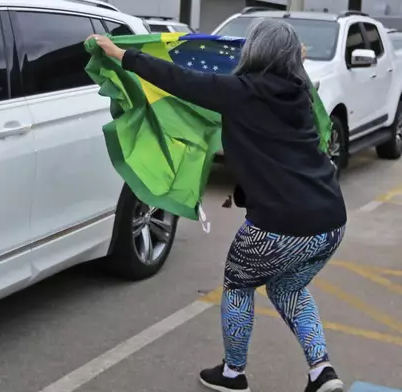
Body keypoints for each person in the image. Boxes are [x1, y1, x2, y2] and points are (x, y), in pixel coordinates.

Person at [88, 17, 347, 392]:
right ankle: (321, 370)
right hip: (330, 220)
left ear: (255, 51)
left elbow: (181, 79)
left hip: (281, 224)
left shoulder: (242, 91)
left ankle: (232, 373)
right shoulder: (301, 92)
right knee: (288, 289)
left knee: (238, 285)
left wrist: (122, 55)